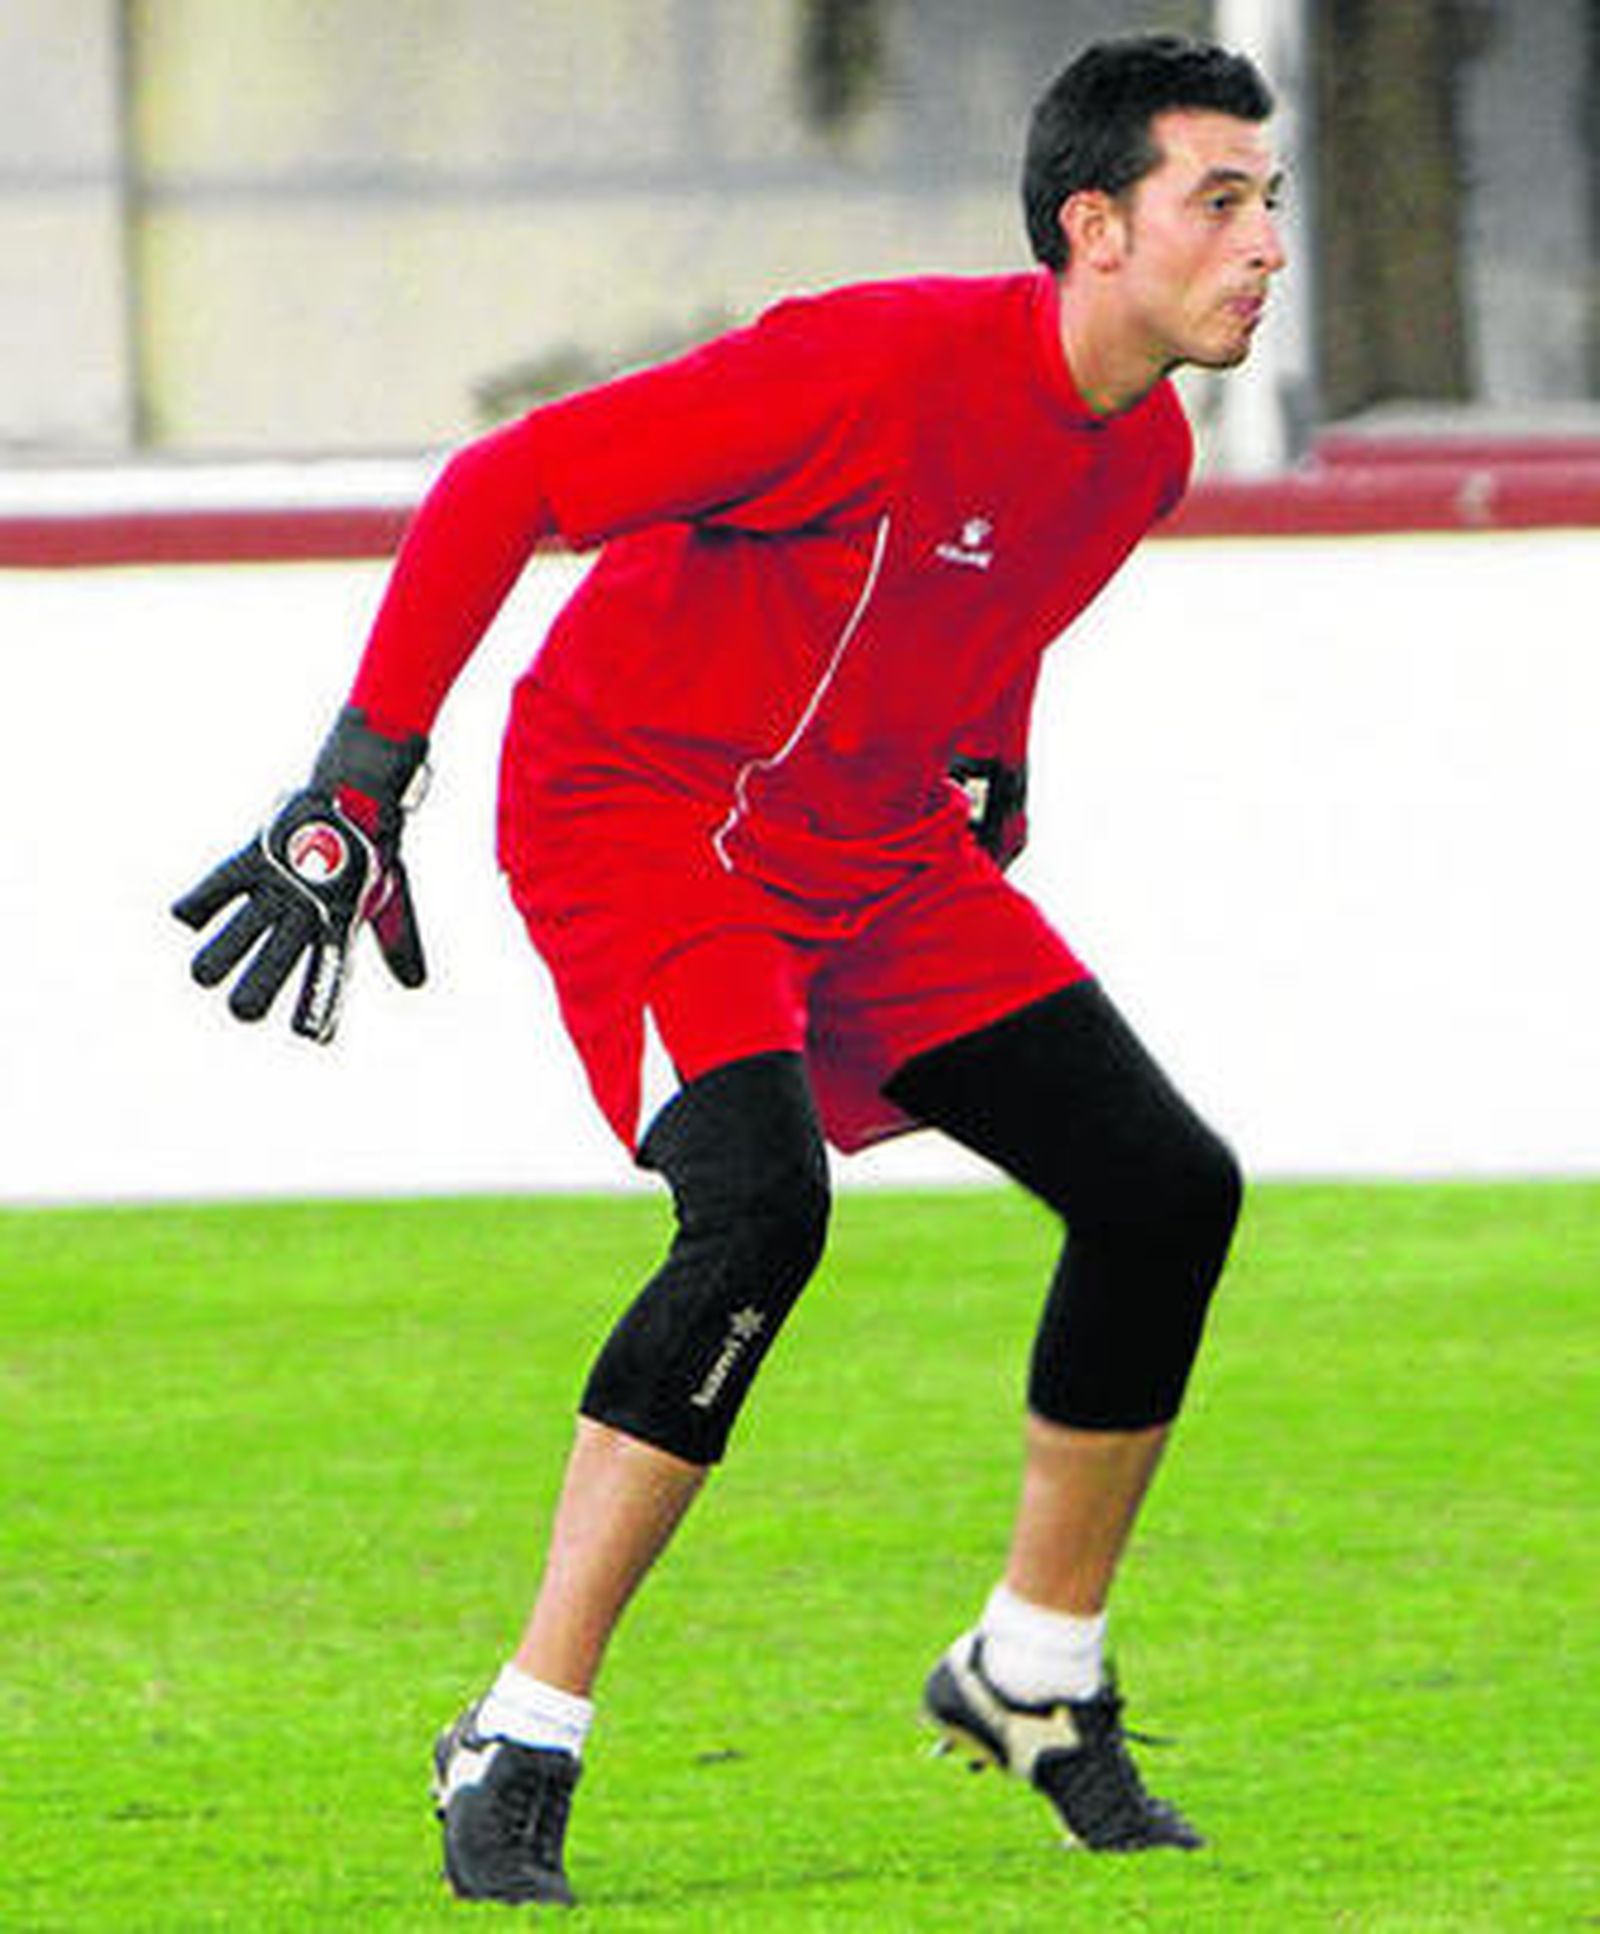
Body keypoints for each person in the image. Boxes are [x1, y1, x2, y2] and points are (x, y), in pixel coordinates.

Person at [174, 31, 1284, 1908]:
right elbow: (504, 481)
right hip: (647, 814)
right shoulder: (865, 362)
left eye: (1273, 203)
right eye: (1224, 201)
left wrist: (995, 734)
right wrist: (360, 775)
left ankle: (1033, 1670)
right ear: (1095, 227)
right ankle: (519, 1726)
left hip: (870, 838)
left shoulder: (1148, 449)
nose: (1266, 244)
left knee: (1165, 1190)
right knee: (757, 1212)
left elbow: (988, 580)